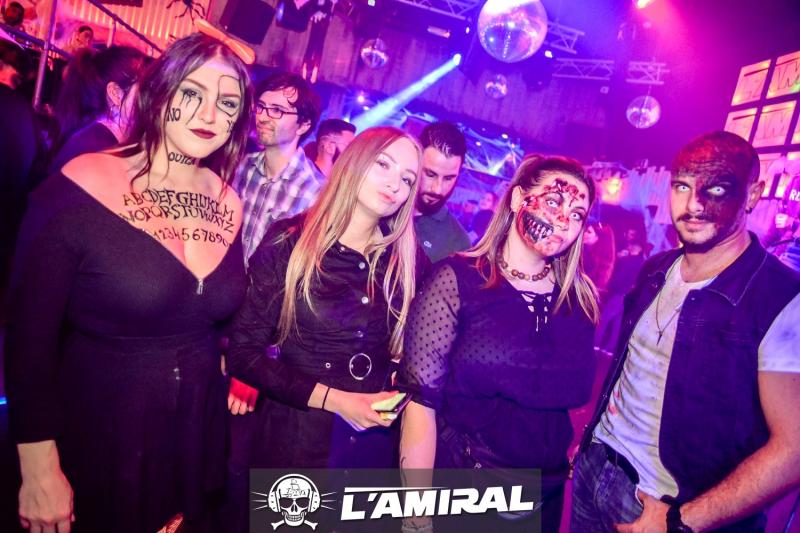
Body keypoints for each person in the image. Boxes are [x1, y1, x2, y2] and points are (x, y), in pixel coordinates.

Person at [5, 30, 254, 532]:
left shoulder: (229, 200)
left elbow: (215, 315)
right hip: (98, 434)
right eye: (192, 92)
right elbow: (28, 336)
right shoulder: (83, 182)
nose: (209, 114)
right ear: (159, 93)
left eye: (227, 103)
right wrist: (37, 464)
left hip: (192, 441)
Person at [571, 131, 800, 532]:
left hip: (662, 508)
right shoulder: (657, 268)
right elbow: (632, 370)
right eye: (682, 186)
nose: (694, 204)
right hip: (595, 468)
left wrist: (682, 520)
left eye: (716, 189)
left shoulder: (780, 298)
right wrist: (594, 439)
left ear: (752, 195)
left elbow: (794, 449)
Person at [223, 126, 422, 530]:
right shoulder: (289, 242)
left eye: (407, 179)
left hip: (369, 451)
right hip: (296, 445)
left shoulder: (405, 260)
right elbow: (243, 354)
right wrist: (338, 400)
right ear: (354, 162)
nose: (394, 184)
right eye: (383, 165)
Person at [399, 155, 599, 532]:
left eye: (577, 214)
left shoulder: (579, 299)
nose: (564, 221)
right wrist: (415, 513)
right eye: (553, 202)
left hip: (544, 498)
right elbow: (421, 405)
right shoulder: (457, 281)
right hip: (466, 488)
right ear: (518, 199)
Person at [232, 71, 324, 264]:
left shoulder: (315, 190)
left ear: (303, 125)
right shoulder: (243, 166)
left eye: (277, 110)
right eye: (261, 107)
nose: (263, 117)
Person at [50, 45, 147, 173]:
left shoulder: (105, 141)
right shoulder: (92, 150)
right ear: (116, 94)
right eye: (146, 89)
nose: (155, 97)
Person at [414, 121, 471, 263]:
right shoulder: (386, 205)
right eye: (430, 174)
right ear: (415, 162)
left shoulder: (458, 242)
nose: (437, 189)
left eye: (448, 178)